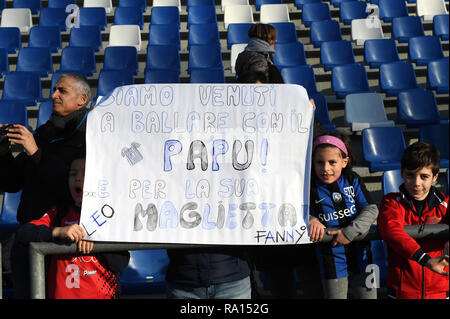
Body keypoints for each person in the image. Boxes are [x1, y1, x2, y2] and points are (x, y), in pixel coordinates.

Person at [0, 72, 92, 298]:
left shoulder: (89, 134)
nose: (53, 95)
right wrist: (2, 152)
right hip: (31, 234)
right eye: (54, 90)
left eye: (62, 91)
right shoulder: (46, 131)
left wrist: (35, 152)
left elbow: (70, 188)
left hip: (62, 241)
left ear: (81, 100)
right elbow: (12, 183)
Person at [16, 156, 130, 299]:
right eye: (73, 173)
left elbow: (120, 263)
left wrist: (97, 240)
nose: (78, 178)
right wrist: (58, 231)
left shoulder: (109, 215)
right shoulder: (59, 213)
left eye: (85, 173)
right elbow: (24, 233)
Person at [308, 133, 379, 299]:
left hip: (363, 256)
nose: (325, 168)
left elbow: (371, 209)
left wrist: (349, 232)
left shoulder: (352, 179)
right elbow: (297, 211)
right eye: (320, 162)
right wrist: (310, 219)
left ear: (344, 161)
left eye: (332, 162)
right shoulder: (309, 185)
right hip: (330, 258)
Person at [377, 141, 449, 299]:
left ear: (435, 177)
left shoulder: (445, 204)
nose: (416, 183)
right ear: (402, 173)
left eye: (424, 176)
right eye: (410, 175)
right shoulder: (391, 202)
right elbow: (391, 231)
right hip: (402, 291)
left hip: (440, 290)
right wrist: (426, 260)